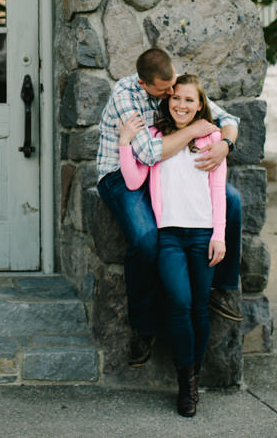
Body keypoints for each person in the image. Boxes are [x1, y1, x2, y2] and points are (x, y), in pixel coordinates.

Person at [94, 47, 242, 369]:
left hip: (162, 165)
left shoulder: (173, 86)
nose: (173, 94)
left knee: (232, 200)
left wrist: (223, 145)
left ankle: (221, 285)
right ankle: (143, 328)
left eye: (174, 84)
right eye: (166, 92)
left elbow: (227, 119)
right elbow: (147, 155)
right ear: (146, 86)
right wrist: (192, 130)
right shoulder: (126, 96)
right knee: (147, 239)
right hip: (121, 173)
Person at [119, 74, 225, 417]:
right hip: (169, 238)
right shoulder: (154, 138)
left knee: (198, 307)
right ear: (168, 100)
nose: (181, 105)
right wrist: (125, 143)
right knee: (178, 303)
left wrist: (219, 234)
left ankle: (192, 379)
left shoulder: (212, 138)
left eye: (189, 100)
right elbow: (134, 179)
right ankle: (185, 383)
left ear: (200, 105)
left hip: (202, 235)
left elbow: (218, 190)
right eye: (176, 98)